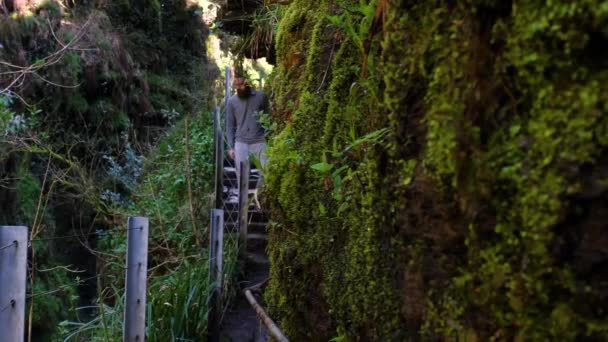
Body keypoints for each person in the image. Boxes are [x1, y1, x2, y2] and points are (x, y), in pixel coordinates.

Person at [225, 73, 269, 194]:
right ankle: (242, 206)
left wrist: (267, 135)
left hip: (259, 141)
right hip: (240, 143)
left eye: (241, 84)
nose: (239, 87)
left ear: (247, 83)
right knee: (242, 177)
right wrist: (230, 146)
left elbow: (268, 117)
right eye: (236, 85)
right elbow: (229, 125)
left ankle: (260, 198)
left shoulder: (261, 97)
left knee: (266, 172)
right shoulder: (231, 101)